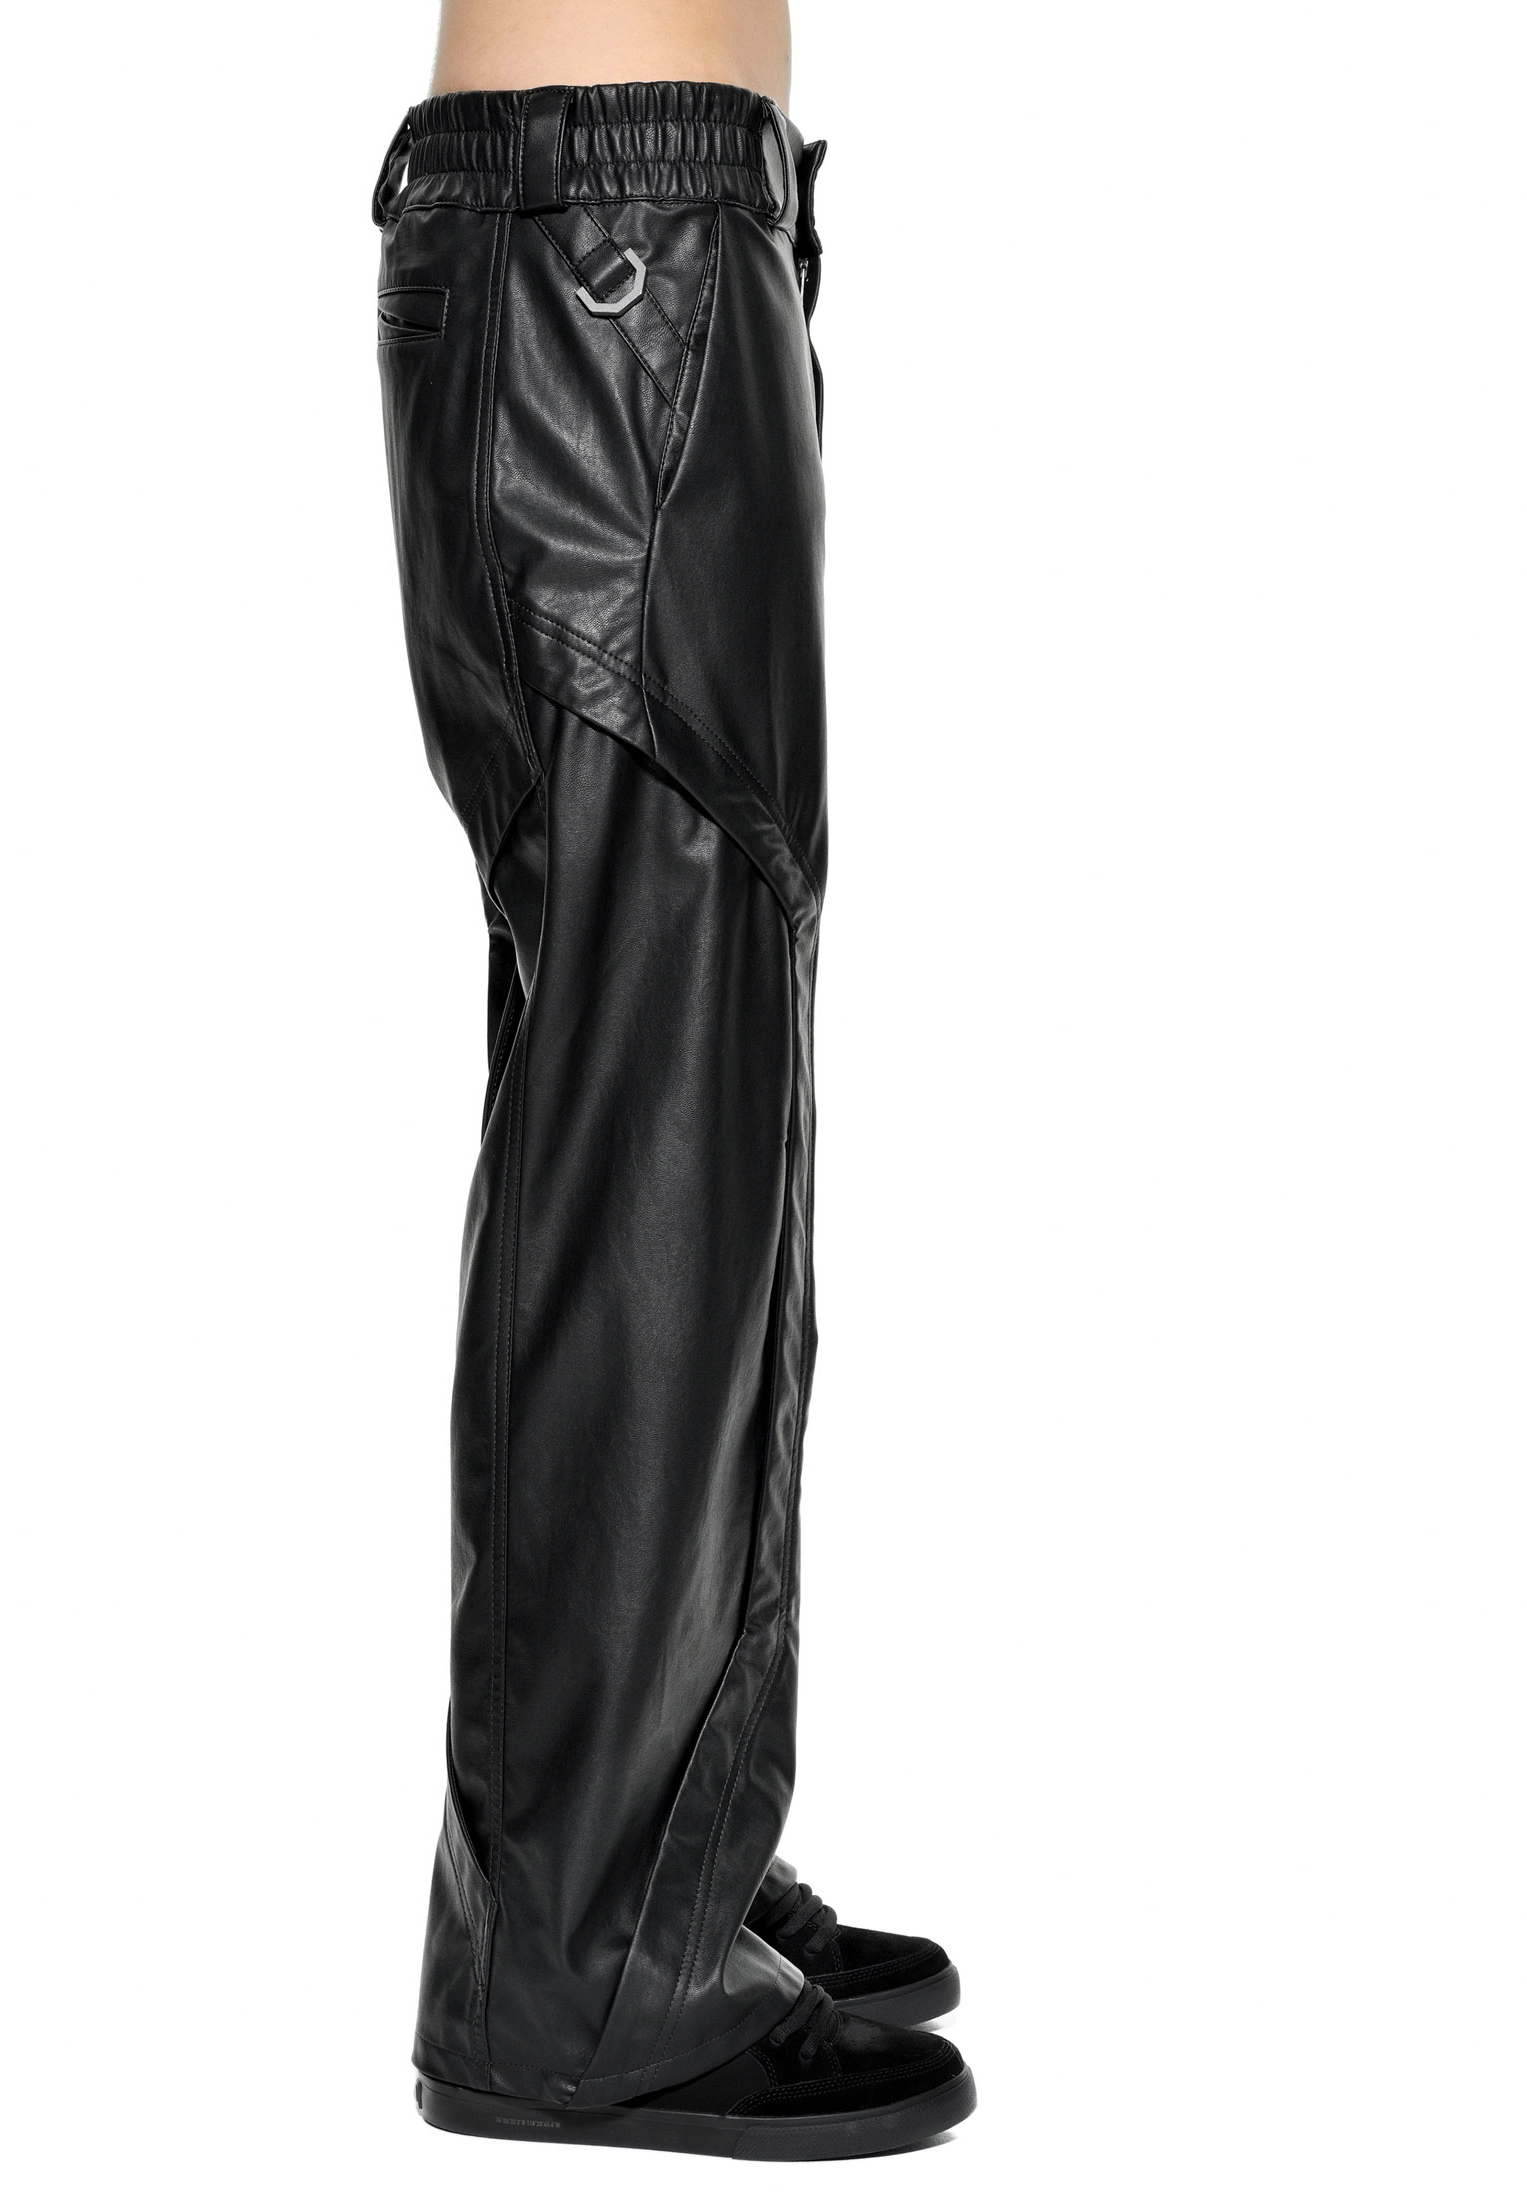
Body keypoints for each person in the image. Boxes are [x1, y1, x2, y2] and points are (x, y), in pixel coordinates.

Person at [373, 0, 974, 2157]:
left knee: (685, 1097)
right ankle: (583, 1960)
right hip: (617, 271)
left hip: (627, 251)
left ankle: (657, 1863)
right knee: (662, 1124)